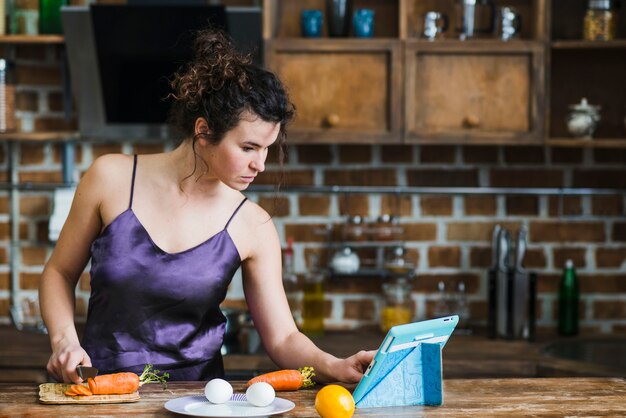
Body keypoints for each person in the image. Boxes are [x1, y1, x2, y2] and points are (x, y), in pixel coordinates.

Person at [39, 29, 374, 384]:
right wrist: (64, 342)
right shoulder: (111, 178)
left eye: (267, 149)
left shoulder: (253, 225)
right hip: (100, 394)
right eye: (248, 148)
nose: (260, 164)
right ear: (203, 131)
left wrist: (335, 365)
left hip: (200, 401)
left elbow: (282, 338)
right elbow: (58, 273)